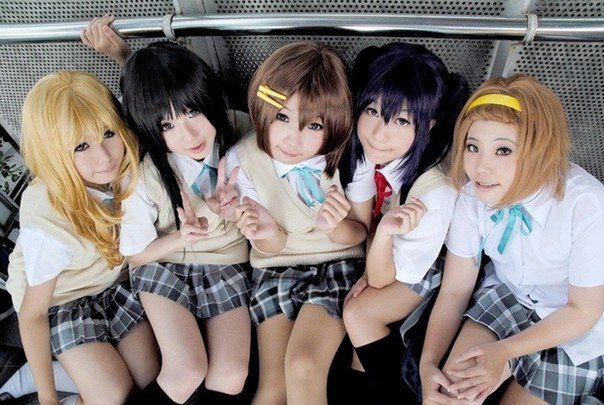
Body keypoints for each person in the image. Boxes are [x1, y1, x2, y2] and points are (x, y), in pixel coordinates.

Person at [419, 74, 604, 404]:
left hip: (575, 323)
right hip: (510, 294)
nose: (481, 167)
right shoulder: (473, 195)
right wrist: (428, 363)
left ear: (540, 150)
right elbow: (456, 289)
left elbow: (582, 311)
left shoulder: (587, 205)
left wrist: (504, 352)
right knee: (450, 397)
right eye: (473, 147)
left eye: (503, 150)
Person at [5, 70, 160, 404]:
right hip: (61, 301)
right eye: (81, 146)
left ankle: (67, 374)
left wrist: (122, 56)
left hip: (111, 285)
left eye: (108, 133)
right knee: (112, 395)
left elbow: (142, 102)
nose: (104, 156)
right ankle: (39, 378)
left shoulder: (118, 162)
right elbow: (32, 314)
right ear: (54, 153)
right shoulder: (49, 224)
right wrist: (48, 397)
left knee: (147, 377)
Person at [227, 41, 367, 405]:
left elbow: (358, 234)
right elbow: (269, 247)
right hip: (275, 268)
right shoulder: (244, 159)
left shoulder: (347, 156)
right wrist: (266, 233)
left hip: (336, 264)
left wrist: (335, 226)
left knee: (304, 366)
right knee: (273, 388)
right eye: (282, 117)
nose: (294, 137)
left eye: (314, 125)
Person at [117, 41, 253, 404]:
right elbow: (135, 255)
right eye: (168, 125)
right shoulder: (144, 173)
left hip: (225, 263)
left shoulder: (241, 129)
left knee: (231, 376)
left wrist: (239, 209)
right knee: (186, 370)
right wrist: (180, 237)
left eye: (193, 111)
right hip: (164, 263)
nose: (189, 135)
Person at [339, 42, 469, 404]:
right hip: (388, 247)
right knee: (355, 329)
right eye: (372, 110)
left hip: (434, 263)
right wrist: (372, 257)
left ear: (427, 125)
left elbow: (386, 276)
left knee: (359, 313)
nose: (380, 133)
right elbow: (362, 222)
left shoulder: (433, 194)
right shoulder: (369, 151)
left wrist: (381, 239)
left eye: (401, 120)